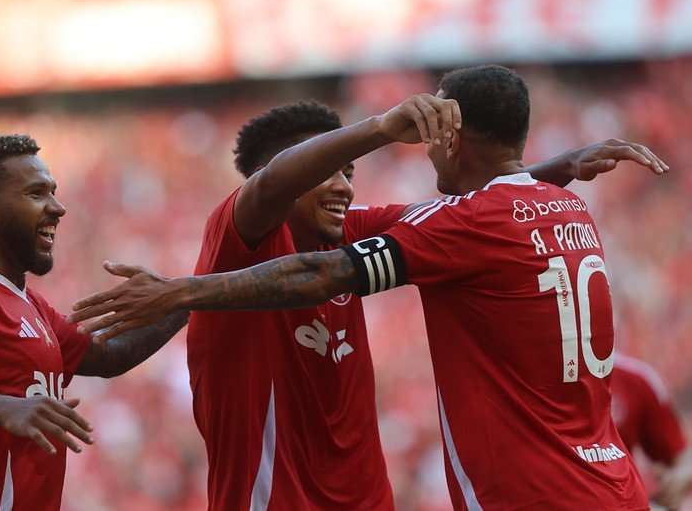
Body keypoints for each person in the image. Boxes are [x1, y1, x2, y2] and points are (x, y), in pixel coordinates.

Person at [69, 65, 667, 509]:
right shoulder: (236, 234)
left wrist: (552, 170)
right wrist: (381, 127)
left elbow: (481, 215)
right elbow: (274, 188)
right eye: (324, 170)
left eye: (349, 172)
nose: (343, 187)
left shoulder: (353, 233)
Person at [0, 133, 189, 511]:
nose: (58, 207)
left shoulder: (28, 302)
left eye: (53, 192)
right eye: (36, 194)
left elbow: (109, 356)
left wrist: (187, 297)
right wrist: (5, 408)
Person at [612, 354, 692, 510]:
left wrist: (676, 483)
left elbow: (683, 460)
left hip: (621, 502)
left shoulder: (637, 379)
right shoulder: (550, 379)